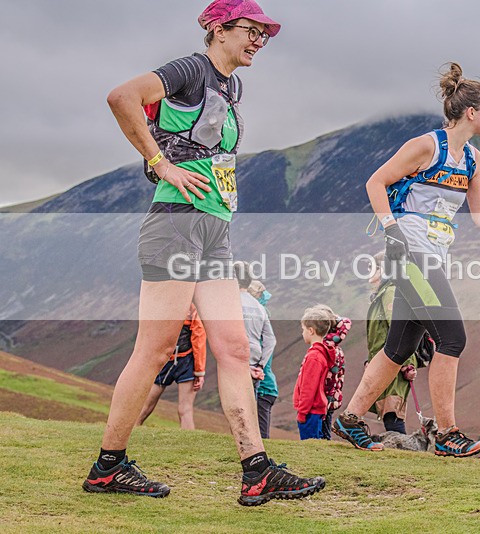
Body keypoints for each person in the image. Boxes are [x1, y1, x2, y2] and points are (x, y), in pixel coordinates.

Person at [83, 0, 324, 505]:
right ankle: (108, 466)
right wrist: (160, 163)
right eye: (250, 30)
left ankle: (256, 470)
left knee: (235, 350)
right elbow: (121, 96)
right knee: (154, 350)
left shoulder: (231, 85)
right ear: (218, 30)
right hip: (176, 225)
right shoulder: (191, 70)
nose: (259, 40)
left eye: (265, 34)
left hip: (214, 231)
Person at [333, 62, 480, 456]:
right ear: (471, 112)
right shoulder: (426, 146)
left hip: (432, 256)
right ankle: (446, 434)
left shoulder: (472, 161)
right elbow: (376, 182)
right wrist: (392, 231)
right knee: (452, 337)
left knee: (398, 349)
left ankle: (349, 419)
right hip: (409, 255)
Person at [366, 252, 425, 434]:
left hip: (394, 361)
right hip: (387, 359)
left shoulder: (390, 292)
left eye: (372, 267)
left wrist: (406, 364)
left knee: (392, 410)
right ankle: (400, 449)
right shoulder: (385, 292)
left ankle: (400, 449)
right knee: (388, 409)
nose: (368, 271)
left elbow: (400, 328)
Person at [136, 304, 207, 429]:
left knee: (146, 404)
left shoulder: (163, 303)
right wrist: (199, 372)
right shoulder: (191, 307)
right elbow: (198, 337)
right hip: (186, 361)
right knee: (185, 410)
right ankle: (188, 444)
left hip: (164, 359)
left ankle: (130, 433)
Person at [234, 263, 277, 440]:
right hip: (254, 361)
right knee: (251, 405)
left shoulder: (231, 303)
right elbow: (270, 340)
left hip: (235, 359)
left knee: (236, 405)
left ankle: (241, 441)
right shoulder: (259, 308)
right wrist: (260, 364)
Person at [294, 305, 341, 440]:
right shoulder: (321, 353)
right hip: (315, 409)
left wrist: (302, 412)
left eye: (303, 330)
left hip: (310, 411)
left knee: (310, 446)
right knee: (316, 443)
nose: (302, 333)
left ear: (311, 330)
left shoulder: (314, 357)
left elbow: (308, 387)